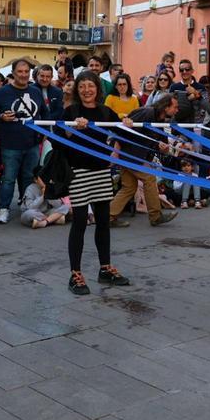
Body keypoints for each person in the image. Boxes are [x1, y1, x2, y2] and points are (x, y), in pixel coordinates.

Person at [60, 70, 128, 295]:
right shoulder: (71, 111)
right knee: (79, 222)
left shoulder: (106, 112)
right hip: (78, 172)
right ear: (77, 90)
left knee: (103, 221)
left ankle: (105, 268)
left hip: (101, 172)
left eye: (90, 86)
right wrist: (72, 128)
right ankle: (75, 274)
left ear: (98, 89)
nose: (86, 90)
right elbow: (58, 138)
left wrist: (116, 149)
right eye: (82, 86)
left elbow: (120, 133)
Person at [0, 59, 46, 224]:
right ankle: (3, 209)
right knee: (8, 179)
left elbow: (45, 113)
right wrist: (1, 117)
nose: (23, 75)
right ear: (13, 73)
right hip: (10, 144)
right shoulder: (3, 92)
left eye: (26, 71)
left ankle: (26, 206)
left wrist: (45, 133)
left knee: (29, 178)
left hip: (32, 144)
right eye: (20, 71)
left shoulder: (35, 91)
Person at [109, 94, 178, 228]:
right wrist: (116, 151)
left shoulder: (160, 120)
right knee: (149, 179)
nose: (177, 110)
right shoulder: (147, 112)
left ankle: (108, 216)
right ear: (166, 106)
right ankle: (155, 216)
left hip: (134, 155)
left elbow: (162, 145)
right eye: (175, 107)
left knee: (129, 188)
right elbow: (123, 130)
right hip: (131, 154)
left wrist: (162, 147)